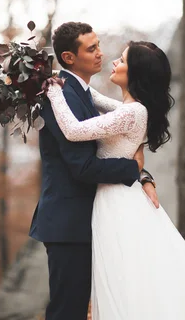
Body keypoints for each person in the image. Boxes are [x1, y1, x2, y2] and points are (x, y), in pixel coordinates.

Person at [44, 41, 185, 319]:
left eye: (122, 60)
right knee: (128, 277)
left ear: (135, 72)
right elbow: (93, 97)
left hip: (118, 202)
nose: (114, 61)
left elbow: (74, 130)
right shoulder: (129, 108)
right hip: (116, 197)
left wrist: (53, 92)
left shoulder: (133, 112)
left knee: (129, 278)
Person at [29, 22, 159, 320]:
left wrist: (143, 174)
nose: (101, 53)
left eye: (98, 45)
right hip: (69, 223)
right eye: (92, 48)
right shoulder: (61, 95)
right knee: (67, 311)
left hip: (91, 219)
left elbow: (120, 141)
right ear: (69, 57)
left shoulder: (83, 93)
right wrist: (132, 168)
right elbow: (82, 167)